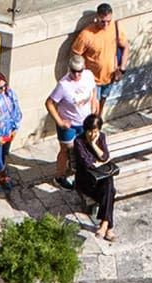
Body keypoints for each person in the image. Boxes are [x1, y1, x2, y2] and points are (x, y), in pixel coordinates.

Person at [45, 53, 98, 185]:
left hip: (84, 121)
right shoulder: (63, 85)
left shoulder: (88, 76)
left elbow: (93, 90)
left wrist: (94, 103)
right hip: (69, 124)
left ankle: (76, 169)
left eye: (79, 71)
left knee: (84, 147)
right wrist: (60, 122)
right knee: (66, 149)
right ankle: (59, 177)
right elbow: (49, 103)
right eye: (73, 71)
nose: (76, 75)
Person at [73, 2, 129, 111]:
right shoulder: (87, 34)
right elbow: (76, 55)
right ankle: (94, 123)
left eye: (109, 21)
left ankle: (98, 121)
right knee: (93, 106)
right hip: (93, 80)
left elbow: (126, 46)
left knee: (103, 99)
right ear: (97, 18)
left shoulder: (115, 28)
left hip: (110, 76)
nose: (106, 25)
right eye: (103, 21)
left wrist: (122, 68)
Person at [73, 113, 116, 242]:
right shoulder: (79, 142)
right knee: (111, 192)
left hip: (101, 180)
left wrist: (94, 145)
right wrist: (100, 161)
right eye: (90, 132)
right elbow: (88, 164)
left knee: (109, 185)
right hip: (86, 181)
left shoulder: (101, 138)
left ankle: (104, 225)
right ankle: (109, 227)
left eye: (95, 132)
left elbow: (104, 157)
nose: (92, 135)